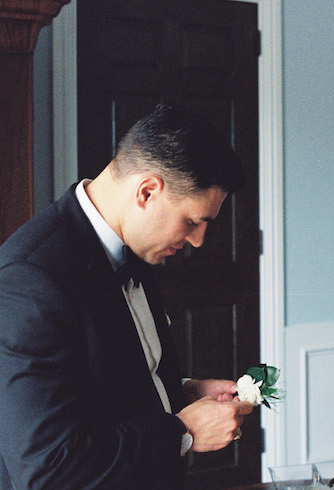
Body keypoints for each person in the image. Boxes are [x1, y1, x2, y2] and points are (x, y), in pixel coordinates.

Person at [0, 103, 255, 489]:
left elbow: (101, 383)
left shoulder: (135, 245)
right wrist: (182, 432)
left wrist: (182, 392)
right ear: (147, 191)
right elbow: (48, 469)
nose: (198, 242)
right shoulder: (30, 279)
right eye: (192, 221)